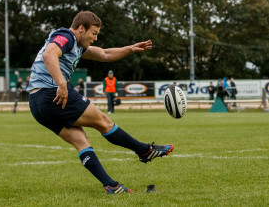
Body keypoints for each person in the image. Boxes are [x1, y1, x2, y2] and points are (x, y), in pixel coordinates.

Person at [26, 11, 173, 194]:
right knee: (103, 120)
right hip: (51, 94)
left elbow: (104, 54)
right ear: (81, 28)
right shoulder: (67, 36)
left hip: (37, 104)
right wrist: (62, 84)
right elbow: (49, 54)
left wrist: (130, 49)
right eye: (93, 33)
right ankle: (144, 150)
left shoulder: (77, 46)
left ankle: (110, 185)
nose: (95, 38)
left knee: (81, 140)